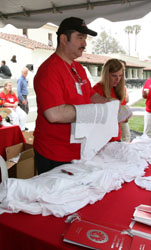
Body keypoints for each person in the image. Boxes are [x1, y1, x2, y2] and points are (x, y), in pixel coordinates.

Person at [33, 17, 110, 174]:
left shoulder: (78, 68)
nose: (85, 44)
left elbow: (91, 95)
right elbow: (54, 114)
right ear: (63, 39)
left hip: (79, 149)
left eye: (85, 39)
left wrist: (111, 104)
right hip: (54, 153)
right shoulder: (49, 71)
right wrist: (95, 113)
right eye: (80, 37)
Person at [93, 58, 126, 142]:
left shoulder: (117, 89)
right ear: (106, 75)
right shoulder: (97, 90)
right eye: (114, 75)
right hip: (103, 139)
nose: (118, 79)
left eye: (120, 75)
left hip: (116, 137)